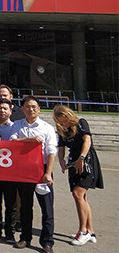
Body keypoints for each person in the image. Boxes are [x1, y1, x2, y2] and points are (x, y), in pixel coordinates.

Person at [10, 97, 57, 253]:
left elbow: (51, 152)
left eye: (34, 107)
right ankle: (25, 237)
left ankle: (47, 242)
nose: (31, 109)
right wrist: (29, 139)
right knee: (25, 206)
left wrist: (48, 173)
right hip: (24, 169)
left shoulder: (47, 128)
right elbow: (12, 143)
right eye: (27, 107)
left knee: (47, 208)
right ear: (22, 109)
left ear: (39, 109)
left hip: (42, 169)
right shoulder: (17, 125)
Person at [53, 105, 103, 247]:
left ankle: (83, 231)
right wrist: (61, 160)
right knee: (82, 198)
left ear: (70, 116)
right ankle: (91, 231)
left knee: (78, 194)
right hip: (74, 163)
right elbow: (61, 147)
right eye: (61, 122)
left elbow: (87, 141)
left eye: (65, 121)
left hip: (86, 161)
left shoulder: (81, 123)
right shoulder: (62, 130)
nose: (64, 124)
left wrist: (81, 157)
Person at [0, 98, 18, 242]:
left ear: (10, 111)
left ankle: (10, 231)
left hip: (11, 171)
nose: (1, 111)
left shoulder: (15, 127)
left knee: (11, 203)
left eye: (5, 108)